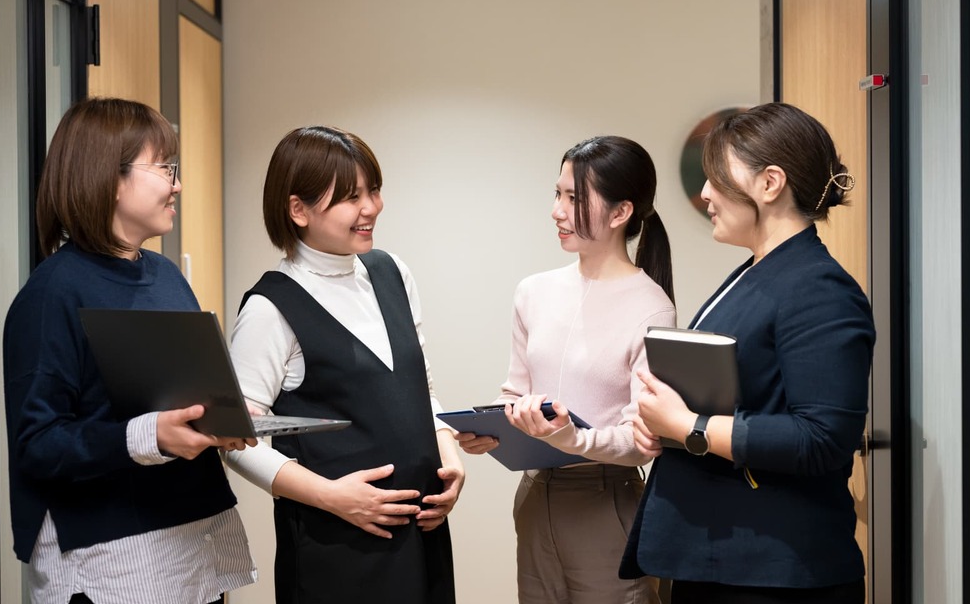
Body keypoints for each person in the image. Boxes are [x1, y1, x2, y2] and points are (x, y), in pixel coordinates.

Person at [3, 97, 258, 604]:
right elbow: (39, 444)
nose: (177, 184)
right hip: (112, 563)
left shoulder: (164, 274)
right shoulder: (53, 292)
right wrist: (150, 436)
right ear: (110, 178)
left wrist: (221, 416)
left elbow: (179, 391)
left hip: (190, 541)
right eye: (165, 168)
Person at [622, 102, 874, 604]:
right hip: (726, 560)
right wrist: (663, 426)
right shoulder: (757, 273)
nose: (706, 193)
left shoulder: (820, 288)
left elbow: (822, 438)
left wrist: (688, 428)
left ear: (770, 183)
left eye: (716, 177)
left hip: (775, 573)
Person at [225, 126, 462, 604]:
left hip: (421, 532)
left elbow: (422, 389)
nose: (371, 207)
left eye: (373, 190)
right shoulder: (271, 308)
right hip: (335, 546)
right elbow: (235, 441)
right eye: (351, 197)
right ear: (299, 209)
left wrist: (448, 453)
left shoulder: (391, 272)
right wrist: (332, 497)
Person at [456, 136, 676, 604]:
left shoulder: (652, 308)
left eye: (574, 198)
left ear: (620, 213)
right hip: (535, 496)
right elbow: (515, 391)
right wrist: (493, 426)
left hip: (605, 500)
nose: (557, 210)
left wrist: (571, 438)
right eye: (557, 194)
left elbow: (643, 441)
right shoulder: (533, 292)